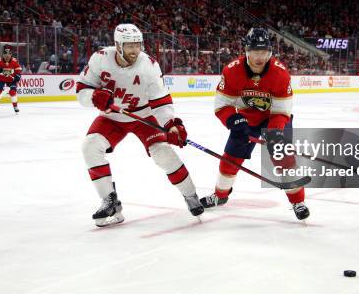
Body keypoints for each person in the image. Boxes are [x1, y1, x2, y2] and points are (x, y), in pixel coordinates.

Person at [76, 23, 203, 227]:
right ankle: (110, 201)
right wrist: (93, 97)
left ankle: (191, 195)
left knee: (163, 152)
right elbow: (81, 91)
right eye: (129, 46)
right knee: (90, 146)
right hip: (112, 117)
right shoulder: (100, 58)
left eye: (137, 45)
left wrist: (170, 124)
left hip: (144, 116)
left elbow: (160, 101)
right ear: (118, 45)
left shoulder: (149, 66)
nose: (135, 50)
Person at [200, 27, 309, 221]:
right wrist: (235, 121)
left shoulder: (280, 74)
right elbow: (222, 105)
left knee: (283, 159)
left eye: (264, 52)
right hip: (246, 119)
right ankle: (220, 195)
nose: (260, 57)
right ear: (247, 52)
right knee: (229, 159)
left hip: (275, 118)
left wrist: (274, 133)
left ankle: (298, 201)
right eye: (255, 52)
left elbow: (282, 110)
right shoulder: (232, 71)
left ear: (270, 52)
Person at [0, 45, 22, 114]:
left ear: (11, 55)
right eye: (5, 54)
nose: (7, 56)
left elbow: (18, 69)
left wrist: (18, 76)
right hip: (0, 79)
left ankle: (15, 107)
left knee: (12, 92)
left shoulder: (14, 61)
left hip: (11, 80)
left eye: (9, 54)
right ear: (3, 55)